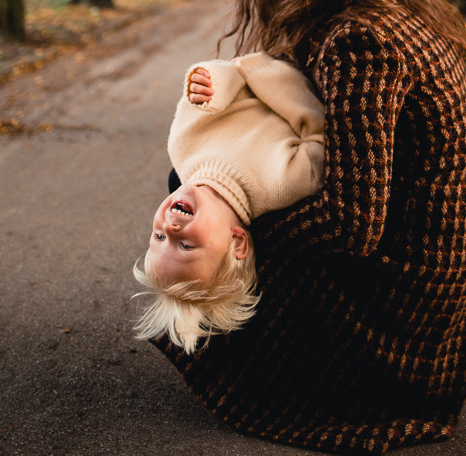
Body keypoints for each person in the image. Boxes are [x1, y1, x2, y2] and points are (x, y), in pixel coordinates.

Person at [154, 0, 466, 453]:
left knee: (209, 224)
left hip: (411, 283)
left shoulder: (363, 40)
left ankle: (269, 365)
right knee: (195, 191)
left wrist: (237, 230)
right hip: (414, 244)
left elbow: (353, 225)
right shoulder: (368, 5)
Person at [133, 52, 325, 352]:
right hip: (279, 70)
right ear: (236, 243)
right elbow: (317, 130)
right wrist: (265, 74)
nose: (169, 227)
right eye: (185, 246)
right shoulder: (282, 184)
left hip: (251, 58)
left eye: (158, 237)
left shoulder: (182, 148)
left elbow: (211, 83)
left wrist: (209, 84)